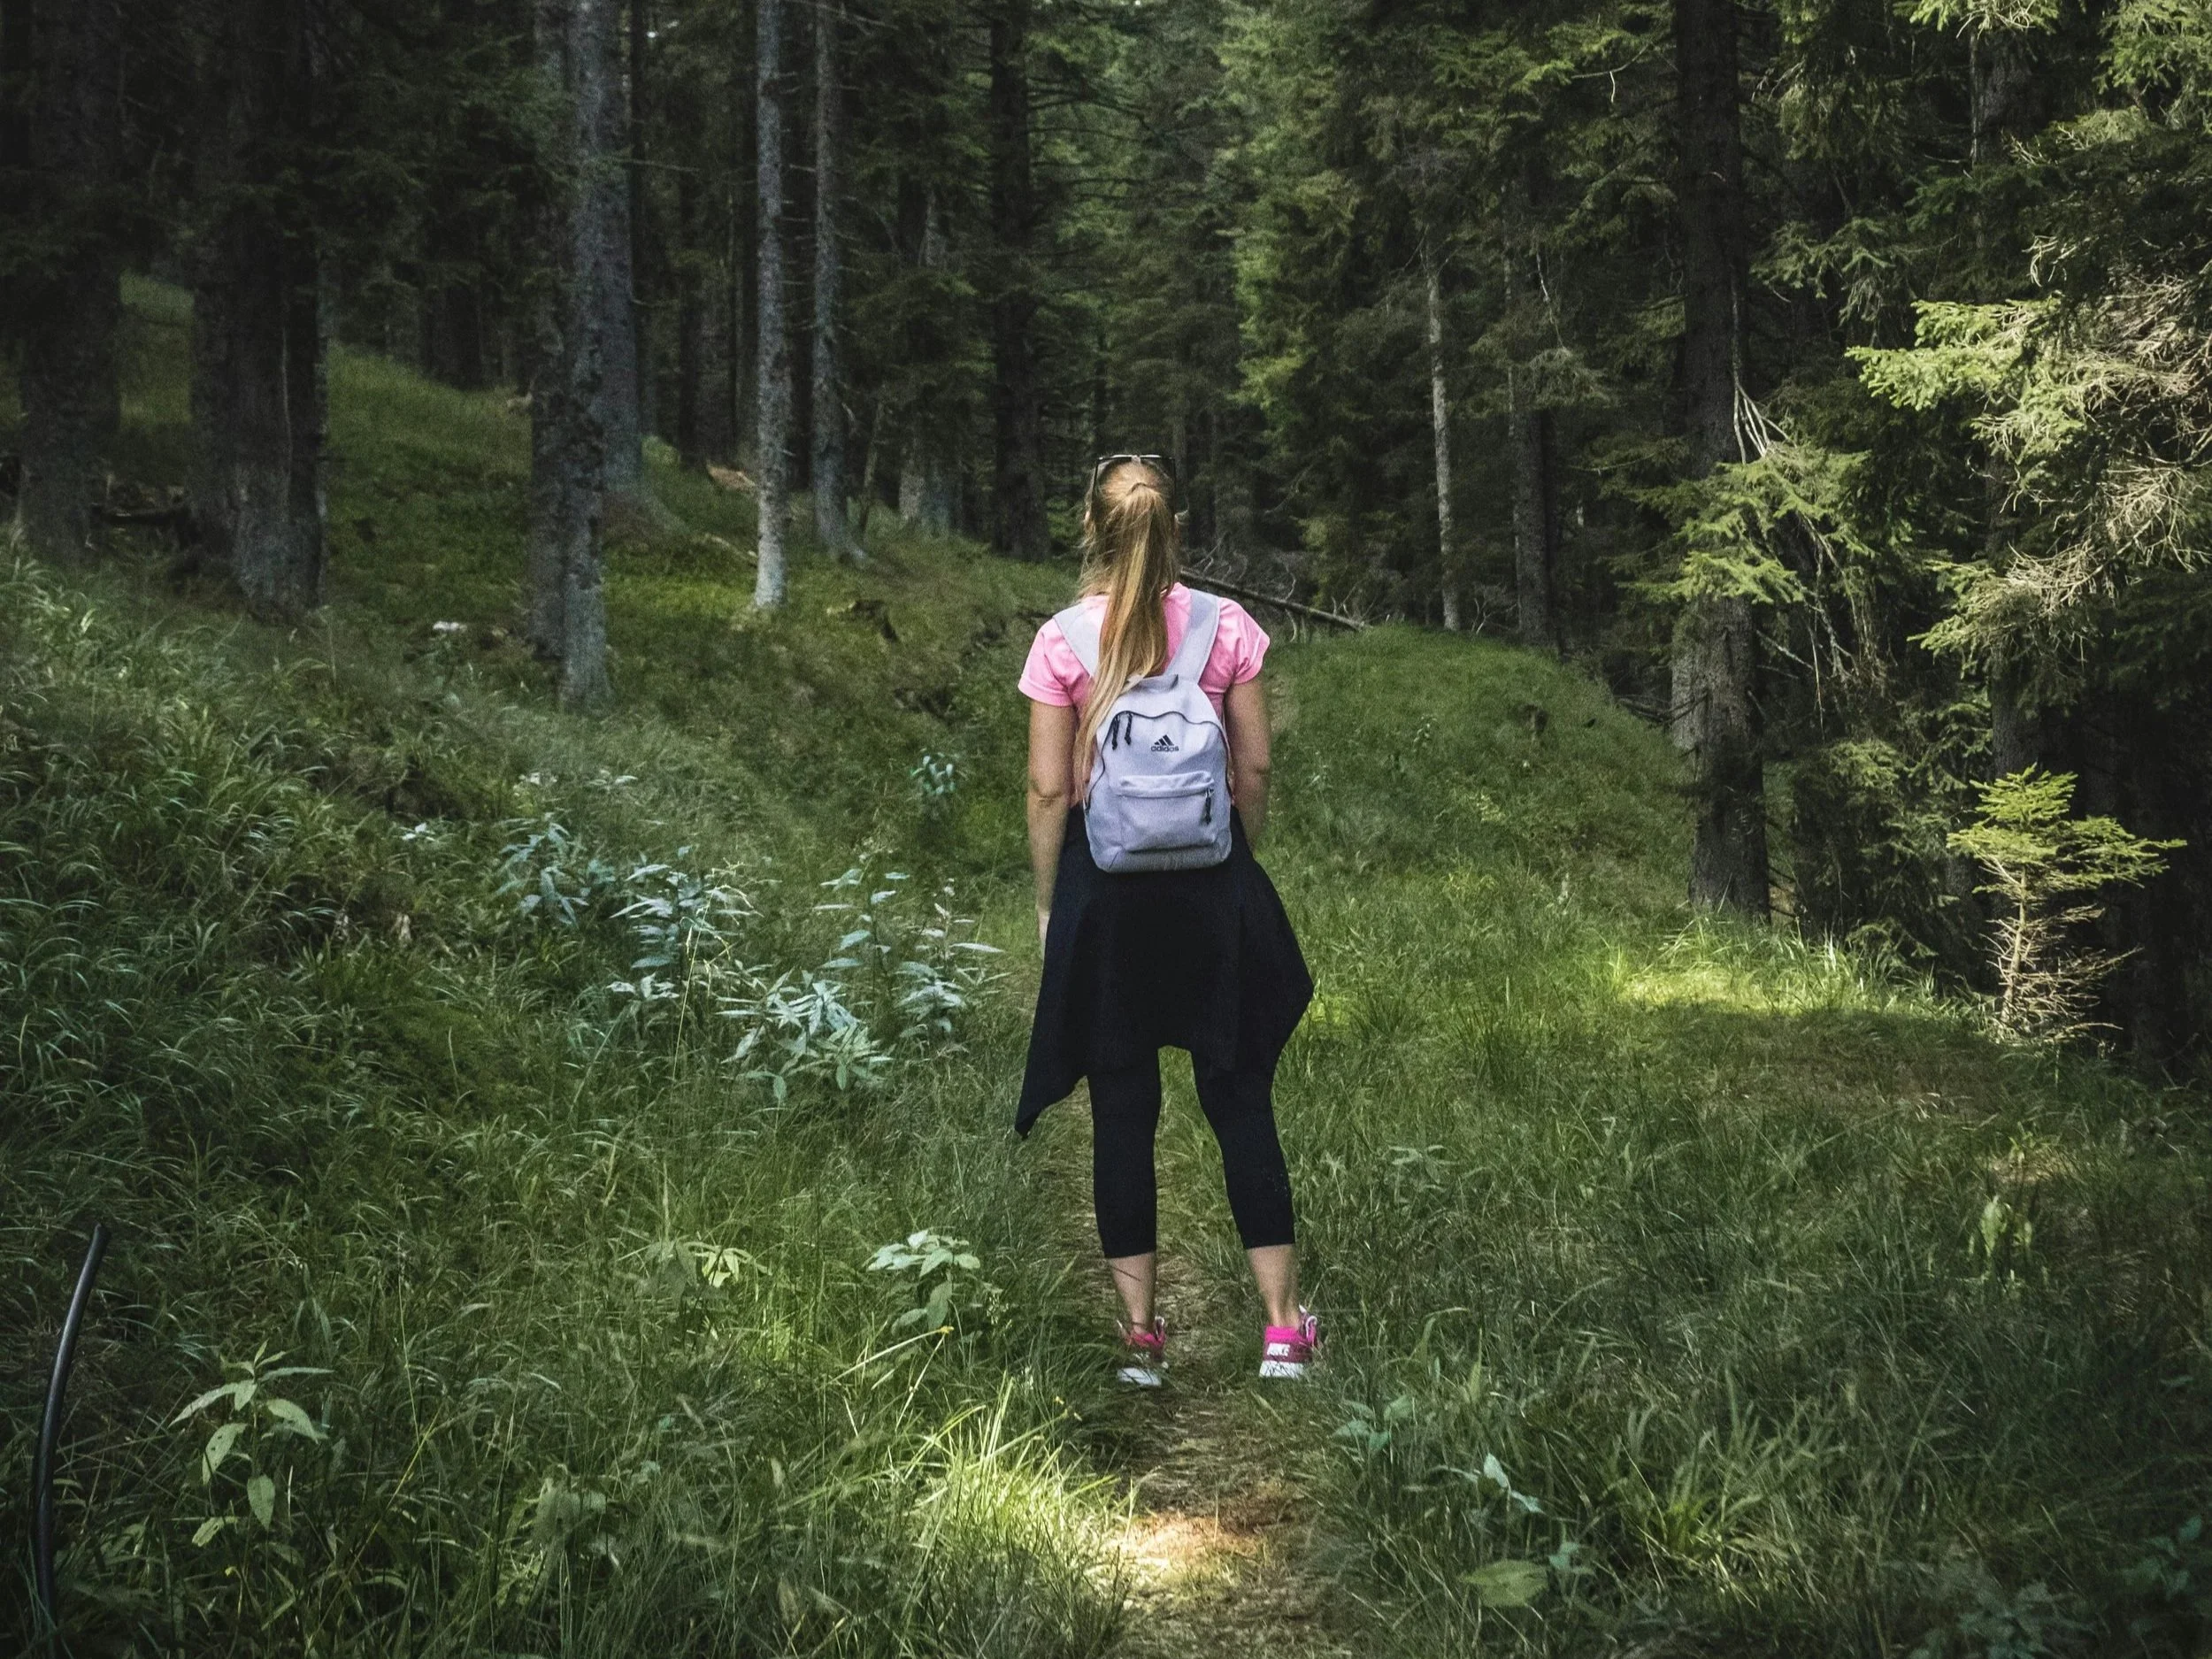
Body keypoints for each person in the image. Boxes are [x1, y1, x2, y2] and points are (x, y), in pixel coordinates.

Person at [1014, 454, 1317, 1386]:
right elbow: (1255, 770)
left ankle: (1142, 1341)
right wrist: (1237, 850)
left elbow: (1048, 787)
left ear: (1091, 531)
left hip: (1110, 898)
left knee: (1122, 1110)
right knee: (1238, 1097)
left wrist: (1047, 903)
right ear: (1173, 526)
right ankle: (1279, 1331)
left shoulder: (1063, 640)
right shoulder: (1227, 627)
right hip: (1209, 885)